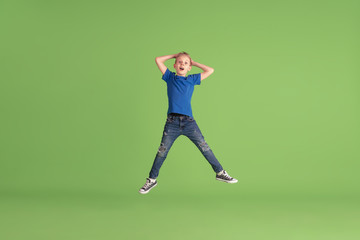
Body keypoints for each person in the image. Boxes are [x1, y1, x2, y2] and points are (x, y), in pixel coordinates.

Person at [139, 52, 237, 194]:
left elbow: (210, 70)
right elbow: (158, 60)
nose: (182, 64)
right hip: (172, 123)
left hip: (189, 122)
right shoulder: (170, 77)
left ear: (189, 67)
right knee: (162, 152)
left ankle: (220, 172)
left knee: (204, 147)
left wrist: (194, 63)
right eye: (179, 62)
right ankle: (152, 180)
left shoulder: (192, 79)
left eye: (185, 63)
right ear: (174, 65)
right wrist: (174, 55)